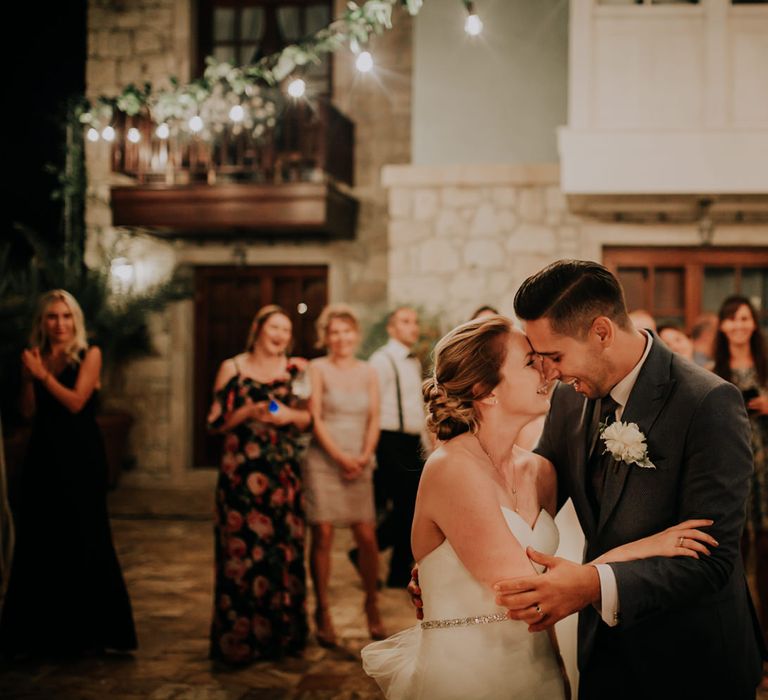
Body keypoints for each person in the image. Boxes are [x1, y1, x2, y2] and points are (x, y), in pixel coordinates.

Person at [364, 316, 718, 699]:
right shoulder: (450, 469)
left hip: (538, 671)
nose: (546, 370)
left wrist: (558, 674)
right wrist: (650, 545)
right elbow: (532, 595)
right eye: (531, 362)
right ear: (487, 391)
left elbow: (548, 594)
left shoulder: (541, 471)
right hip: (467, 675)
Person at [491, 260, 765, 699]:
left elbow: (712, 560)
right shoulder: (568, 398)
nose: (551, 372)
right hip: (603, 656)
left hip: (692, 663)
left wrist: (592, 583)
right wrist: (459, 564)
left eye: (555, 356)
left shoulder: (707, 402)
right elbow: (532, 491)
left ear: (601, 331)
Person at [0, 289, 136, 657]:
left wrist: (43, 377)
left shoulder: (89, 353)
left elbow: (77, 402)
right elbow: (27, 413)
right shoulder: (33, 357)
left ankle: (92, 631)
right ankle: (41, 630)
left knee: (85, 532)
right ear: (42, 322)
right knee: (41, 534)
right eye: (52, 317)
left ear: (75, 320)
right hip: (43, 452)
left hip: (80, 452)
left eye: (66, 316)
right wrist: (30, 379)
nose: (60, 324)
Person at [207, 305, 312, 665]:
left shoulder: (297, 368)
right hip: (241, 473)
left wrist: (286, 415)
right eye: (274, 327)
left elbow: (309, 417)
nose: (280, 334)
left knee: (283, 551)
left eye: (286, 329)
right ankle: (240, 640)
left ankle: (282, 639)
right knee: (241, 552)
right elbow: (215, 422)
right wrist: (248, 412)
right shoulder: (232, 368)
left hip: (282, 473)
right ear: (259, 330)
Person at [303, 304, 384, 646]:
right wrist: (338, 457)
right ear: (326, 337)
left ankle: (372, 604)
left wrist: (364, 456)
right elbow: (315, 416)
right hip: (324, 459)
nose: (341, 337)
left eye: (346, 331)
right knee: (322, 534)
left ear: (355, 334)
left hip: (360, 458)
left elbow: (375, 417)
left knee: (366, 536)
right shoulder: (316, 368)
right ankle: (322, 610)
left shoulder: (369, 371)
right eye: (334, 332)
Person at [712, 295, 768, 689]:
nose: (738, 325)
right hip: (733, 471)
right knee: (735, 563)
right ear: (721, 326)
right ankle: (748, 653)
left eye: (744, 318)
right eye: (731, 319)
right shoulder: (714, 371)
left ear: (754, 323)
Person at [356, 306, 428, 588]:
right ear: (391, 328)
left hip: (411, 440)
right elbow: (370, 405)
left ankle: (393, 567)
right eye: (405, 322)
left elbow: (415, 406)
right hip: (389, 439)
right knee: (405, 506)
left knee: (412, 507)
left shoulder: (412, 362)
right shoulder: (382, 360)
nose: (413, 327)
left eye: (415, 321)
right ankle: (375, 556)